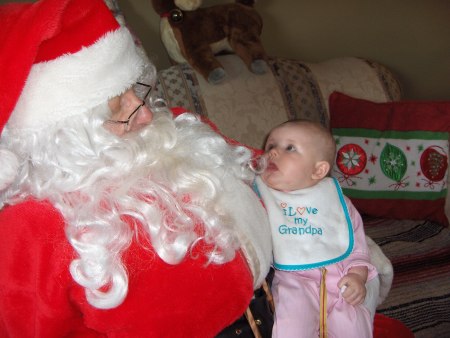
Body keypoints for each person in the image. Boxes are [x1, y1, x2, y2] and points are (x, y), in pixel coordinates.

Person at [0, 0, 272, 337]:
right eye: (117, 107)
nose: (145, 115)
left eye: (137, 90)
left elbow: (272, 168)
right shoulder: (27, 229)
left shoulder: (174, 128)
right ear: (61, 136)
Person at [254, 120, 378, 338]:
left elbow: (358, 246)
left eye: (289, 148)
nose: (273, 153)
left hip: (340, 281)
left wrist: (358, 276)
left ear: (318, 170)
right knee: (291, 323)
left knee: (354, 325)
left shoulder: (336, 203)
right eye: (270, 146)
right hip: (293, 280)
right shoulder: (262, 197)